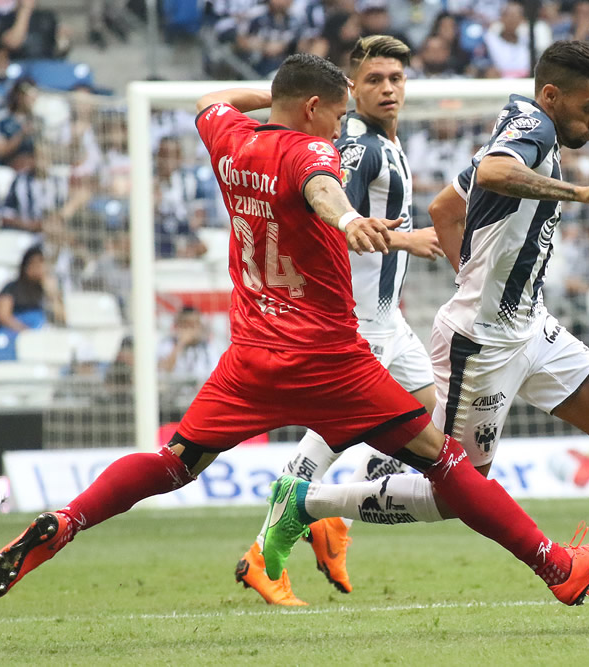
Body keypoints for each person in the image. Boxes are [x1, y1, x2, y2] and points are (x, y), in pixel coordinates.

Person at [0, 53, 589, 607]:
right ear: (316, 109)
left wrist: (276, 96)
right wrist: (348, 218)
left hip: (250, 358)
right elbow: (323, 188)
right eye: (338, 110)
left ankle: (70, 519)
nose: (343, 122)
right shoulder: (314, 150)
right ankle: (557, 567)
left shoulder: (228, 137)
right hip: (327, 360)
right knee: (447, 460)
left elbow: (211, 99)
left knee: (174, 463)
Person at [287, 41, 589, 628]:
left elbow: (443, 207)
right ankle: (306, 502)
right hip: (481, 344)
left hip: (530, 325)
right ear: (552, 95)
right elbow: (492, 172)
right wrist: (580, 195)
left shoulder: (520, 125)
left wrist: (476, 277)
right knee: (456, 492)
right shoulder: (530, 128)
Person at [234, 36, 444, 606]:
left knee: (427, 406)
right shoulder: (354, 146)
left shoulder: (386, 142)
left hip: (388, 321)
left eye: (396, 78)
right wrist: (409, 239)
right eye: (374, 80)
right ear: (351, 88)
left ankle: (332, 515)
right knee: (333, 432)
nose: (388, 89)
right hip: (355, 320)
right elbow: (327, 214)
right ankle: (264, 552)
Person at [0, 245, 62, 331]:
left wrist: (52, 294)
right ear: (25, 266)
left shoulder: (45, 289)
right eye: (34, 263)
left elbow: (62, 317)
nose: (38, 268)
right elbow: (3, 316)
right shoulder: (11, 288)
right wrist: (26, 332)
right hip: (15, 333)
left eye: (41, 263)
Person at [156, 306, 222, 383]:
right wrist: (180, 344)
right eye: (185, 325)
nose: (189, 330)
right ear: (177, 326)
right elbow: (165, 370)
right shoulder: (167, 344)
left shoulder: (207, 348)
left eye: (193, 325)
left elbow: (215, 373)